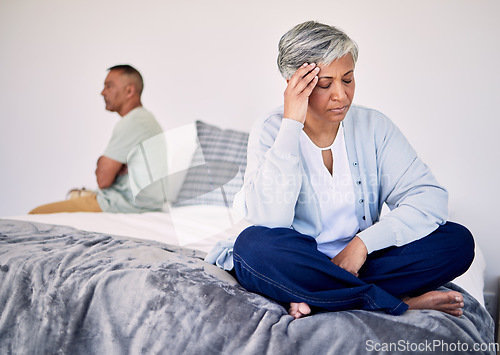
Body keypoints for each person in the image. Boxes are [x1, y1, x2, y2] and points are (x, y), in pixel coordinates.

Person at [207, 21, 475, 319]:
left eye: (348, 80)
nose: (341, 95)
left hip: (363, 262)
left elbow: (429, 199)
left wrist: (362, 245)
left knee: (456, 242)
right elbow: (271, 220)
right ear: (296, 84)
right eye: (325, 84)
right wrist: (291, 124)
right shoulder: (272, 130)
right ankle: (394, 302)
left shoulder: (374, 127)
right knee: (253, 247)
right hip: (298, 262)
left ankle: (315, 295)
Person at [29, 65, 164, 214]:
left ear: (129, 91)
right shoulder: (145, 120)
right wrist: (114, 165)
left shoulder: (134, 122)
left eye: (109, 86)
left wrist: (103, 162)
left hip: (121, 205)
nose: (102, 92)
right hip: (139, 204)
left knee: (35, 214)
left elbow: (103, 179)